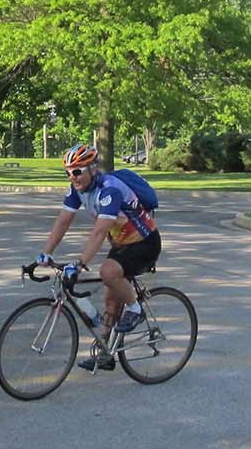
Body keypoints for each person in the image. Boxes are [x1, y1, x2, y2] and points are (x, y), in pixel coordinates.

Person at [32, 142, 161, 371]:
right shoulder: (76, 190)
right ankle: (106, 354)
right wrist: (45, 253)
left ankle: (135, 310)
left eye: (78, 171)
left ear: (92, 168)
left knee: (108, 272)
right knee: (110, 301)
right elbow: (63, 221)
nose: (73, 176)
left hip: (145, 243)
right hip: (122, 245)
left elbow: (99, 232)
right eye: (68, 172)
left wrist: (80, 264)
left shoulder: (110, 189)